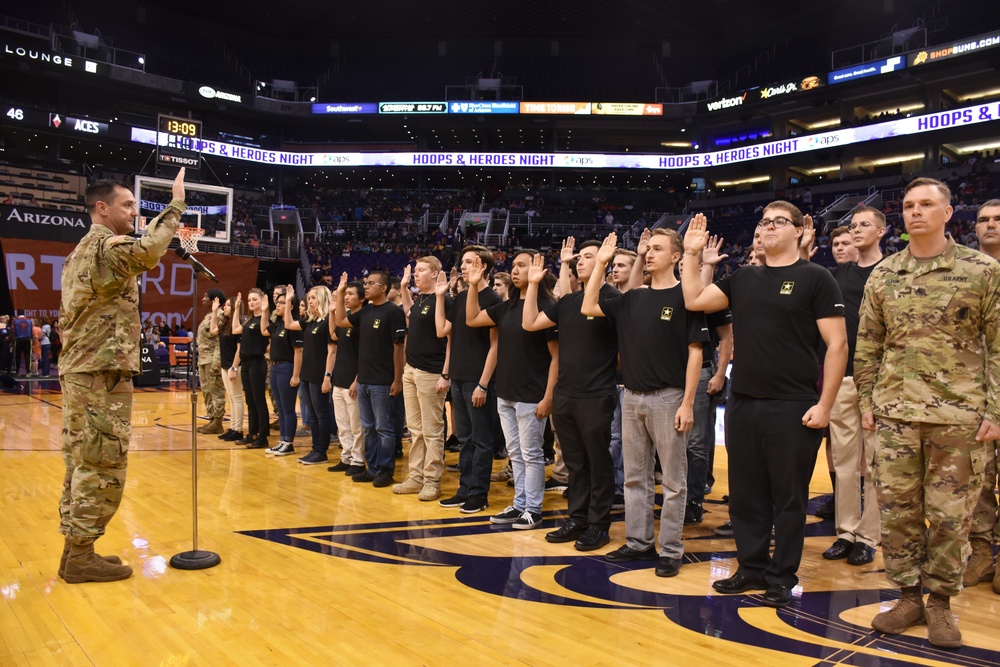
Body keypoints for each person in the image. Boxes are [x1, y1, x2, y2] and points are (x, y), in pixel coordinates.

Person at [855, 178, 1000, 648]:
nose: (915, 212)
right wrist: (867, 402)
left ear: (948, 212)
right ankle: (908, 596)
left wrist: (995, 411)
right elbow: (868, 345)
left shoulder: (981, 270)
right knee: (897, 513)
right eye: (910, 205)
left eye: (926, 205)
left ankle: (940, 603)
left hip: (959, 417)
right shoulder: (885, 274)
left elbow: (999, 346)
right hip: (895, 414)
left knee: (951, 517)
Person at [681, 204, 847, 608]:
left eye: (778, 222)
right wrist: (690, 254)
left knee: (788, 497)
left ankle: (781, 575)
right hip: (743, 402)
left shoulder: (816, 277)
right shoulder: (743, 278)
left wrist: (825, 405)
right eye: (764, 222)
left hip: (793, 404)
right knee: (746, 495)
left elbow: (838, 345)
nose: (768, 227)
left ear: (799, 229)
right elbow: (694, 299)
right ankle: (751, 567)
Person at [57, 167, 187, 583]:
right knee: (102, 463)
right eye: (127, 204)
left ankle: (76, 551)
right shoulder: (106, 247)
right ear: (102, 208)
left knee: (82, 463)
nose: (134, 211)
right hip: (100, 373)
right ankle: (79, 556)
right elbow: (148, 251)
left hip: (87, 371)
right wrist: (176, 206)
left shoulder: (84, 250)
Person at [583, 230, 706, 576]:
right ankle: (638, 542)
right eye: (647, 249)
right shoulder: (633, 297)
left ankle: (670, 550)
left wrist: (687, 403)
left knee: (673, 481)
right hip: (631, 396)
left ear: (676, 257)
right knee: (635, 478)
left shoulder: (688, 296)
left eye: (656, 249)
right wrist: (601, 264)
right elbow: (588, 304)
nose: (648, 254)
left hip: (669, 397)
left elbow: (696, 353)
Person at [523, 238, 618, 551]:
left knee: (598, 462)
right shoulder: (567, 302)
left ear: (603, 261)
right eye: (580, 257)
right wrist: (535, 285)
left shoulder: (612, 299)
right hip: (566, 393)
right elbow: (531, 322)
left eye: (589, 257)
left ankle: (599, 524)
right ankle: (577, 518)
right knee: (575, 464)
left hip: (596, 394)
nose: (581, 261)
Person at [467, 249, 558, 530]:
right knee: (515, 454)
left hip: (532, 394)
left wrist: (548, 397)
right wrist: (472, 285)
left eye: (522, 265)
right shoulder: (506, 307)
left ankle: (534, 509)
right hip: (506, 392)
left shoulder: (548, 306)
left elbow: (557, 357)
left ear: (538, 270)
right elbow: (472, 319)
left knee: (531, 454)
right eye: (514, 265)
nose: (515, 270)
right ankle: (520, 504)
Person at [821, 206, 885, 567]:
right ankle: (846, 531)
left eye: (864, 226)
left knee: (874, 463)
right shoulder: (838, 275)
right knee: (844, 462)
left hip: (879, 380)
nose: (857, 231)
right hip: (844, 377)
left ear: (881, 231)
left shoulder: (892, 272)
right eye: (854, 226)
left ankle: (869, 536)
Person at [435, 246, 501, 514]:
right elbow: (443, 332)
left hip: (478, 380)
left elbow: (495, 346)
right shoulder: (462, 298)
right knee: (464, 438)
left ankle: (478, 494)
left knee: (482, 440)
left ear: (482, 266)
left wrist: (483, 383)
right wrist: (440, 297)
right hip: (460, 378)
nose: (462, 266)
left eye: (468, 262)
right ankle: (464, 489)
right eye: (461, 262)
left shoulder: (493, 298)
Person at [333, 270, 407, 487]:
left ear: (383, 288)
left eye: (371, 283)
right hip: (364, 380)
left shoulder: (393, 312)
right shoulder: (365, 312)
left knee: (384, 428)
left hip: (383, 381)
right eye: (366, 283)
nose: (366, 286)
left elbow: (398, 348)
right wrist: (339, 294)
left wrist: (397, 379)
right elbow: (340, 321)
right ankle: (372, 468)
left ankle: (385, 470)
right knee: (368, 427)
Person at [394, 258, 452, 501]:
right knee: (415, 430)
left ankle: (432, 480)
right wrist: (405, 288)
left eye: (421, 270)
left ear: (436, 273)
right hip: (412, 370)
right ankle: (416, 476)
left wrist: (445, 374)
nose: (416, 274)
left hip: (431, 372)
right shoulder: (421, 299)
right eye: (415, 270)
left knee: (432, 430)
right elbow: (409, 314)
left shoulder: (444, 299)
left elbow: (451, 339)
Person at [966, 198, 1000, 592]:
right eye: (982, 219)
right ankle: (978, 554)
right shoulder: (963, 272)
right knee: (977, 479)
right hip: (972, 393)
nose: (989, 225)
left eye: (997, 220)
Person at [285, 286, 335, 464]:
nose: (310, 301)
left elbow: (332, 351)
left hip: (319, 374)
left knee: (321, 414)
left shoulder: (329, 320)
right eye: (309, 298)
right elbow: (288, 324)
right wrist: (289, 300)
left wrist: (327, 377)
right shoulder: (311, 321)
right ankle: (315, 449)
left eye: (313, 298)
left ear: (322, 298)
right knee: (312, 415)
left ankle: (322, 451)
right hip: (307, 374)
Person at [326, 281, 365, 475]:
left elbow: (365, 354)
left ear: (362, 298)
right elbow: (334, 335)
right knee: (343, 424)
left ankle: (358, 461)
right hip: (339, 378)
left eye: (350, 294)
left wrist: (357, 380)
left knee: (356, 425)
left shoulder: (361, 321)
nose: (347, 297)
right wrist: (333, 311)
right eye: (345, 294)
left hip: (352, 380)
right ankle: (347, 456)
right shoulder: (346, 319)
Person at [266, 288, 303, 456]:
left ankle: (289, 442)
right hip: (274, 367)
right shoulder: (279, 323)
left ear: (290, 305)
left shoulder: (294, 325)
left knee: (288, 408)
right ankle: (282, 440)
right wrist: (265, 309)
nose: (278, 305)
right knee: (280, 408)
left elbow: (298, 351)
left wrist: (295, 375)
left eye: (282, 302)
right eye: (278, 302)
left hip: (286, 368)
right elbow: (263, 330)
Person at [232, 288, 270, 449]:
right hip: (246, 364)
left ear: (262, 300)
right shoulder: (249, 320)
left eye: (255, 299)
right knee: (250, 401)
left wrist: (265, 310)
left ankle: (263, 437)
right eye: (250, 300)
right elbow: (235, 329)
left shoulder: (263, 318)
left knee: (259, 400)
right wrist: (236, 309)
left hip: (257, 362)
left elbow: (265, 332)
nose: (252, 302)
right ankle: (252, 433)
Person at [196, 289, 227, 435]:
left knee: (215, 389)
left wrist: (216, 362)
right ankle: (212, 418)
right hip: (203, 358)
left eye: (205, 297)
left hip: (212, 357)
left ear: (214, 300)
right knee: (206, 390)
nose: (203, 299)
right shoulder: (208, 315)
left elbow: (219, 340)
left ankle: (218, 421)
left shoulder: (220, 315)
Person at [213, 296, 244, 442]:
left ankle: (238, 430)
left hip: (234, 366)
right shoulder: (225, 324)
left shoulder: (239, 325)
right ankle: (232, 427)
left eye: (227, 305)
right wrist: (214, 311)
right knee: (231, 398)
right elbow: (213, 330)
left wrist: (234, 367)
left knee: (237, 398)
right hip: (225, 365)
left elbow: (240, 349)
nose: (224, 308)